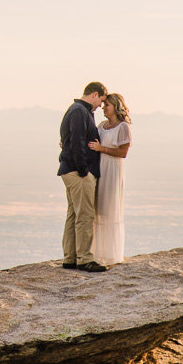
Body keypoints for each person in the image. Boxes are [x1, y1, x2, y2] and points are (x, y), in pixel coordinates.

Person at [58, 82, 106, 272]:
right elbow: (77, 142)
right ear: (95, 95)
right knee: (85, 215)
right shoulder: (79, 111)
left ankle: (70, 258)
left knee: (73, 214)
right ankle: (85, 258)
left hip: (68, 169)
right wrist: (83, 170)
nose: (101, 106)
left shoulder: (77, 110)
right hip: (78, 172)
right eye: (101, 100)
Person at [88, 93, 133, 267]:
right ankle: (97, 253)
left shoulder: (123, 127)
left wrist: (102, 148)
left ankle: (111, 254)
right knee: (98, 209)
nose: (103, 108)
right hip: (99, 168)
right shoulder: (101, 126)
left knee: (110, 208)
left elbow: (123, 153)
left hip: (112, 170)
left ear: (115, 106)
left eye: (107, 105)